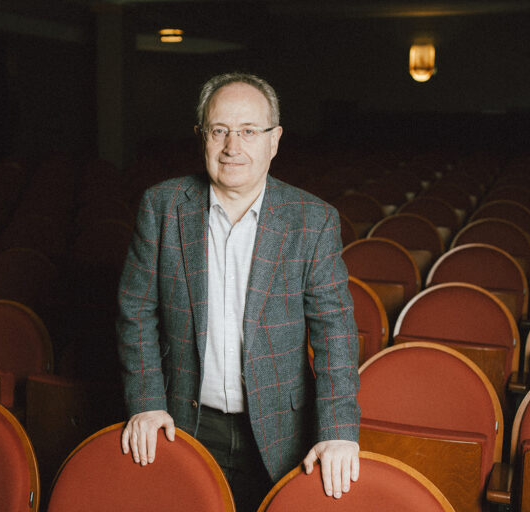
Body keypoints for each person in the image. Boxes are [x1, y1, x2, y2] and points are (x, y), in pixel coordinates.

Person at [116, 72, 360, 511]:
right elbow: (136, 310)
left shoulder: (314, 220)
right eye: (220, 130)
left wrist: (338, 432)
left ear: (275, 140)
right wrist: (147, 403)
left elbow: (335, 335)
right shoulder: (161, 206)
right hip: (181, 421)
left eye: (249, 131)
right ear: (202, 137)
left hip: (281, 430)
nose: (233, 146)